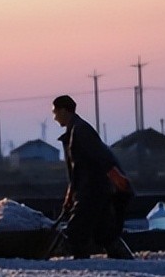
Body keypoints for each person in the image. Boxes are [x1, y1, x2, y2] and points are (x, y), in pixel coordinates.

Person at [52, 95, 134, 259]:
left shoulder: (81, 130)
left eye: (55, 112)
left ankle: (82, 266)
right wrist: (70, 195)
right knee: (104, 233)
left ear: (63, 110)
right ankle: (123, 259)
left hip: (92, 191)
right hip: (92, 189)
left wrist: (116, 177)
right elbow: (77, 169)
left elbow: (101, 155)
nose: (54, 117)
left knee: (75, 232)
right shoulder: (75, 130)